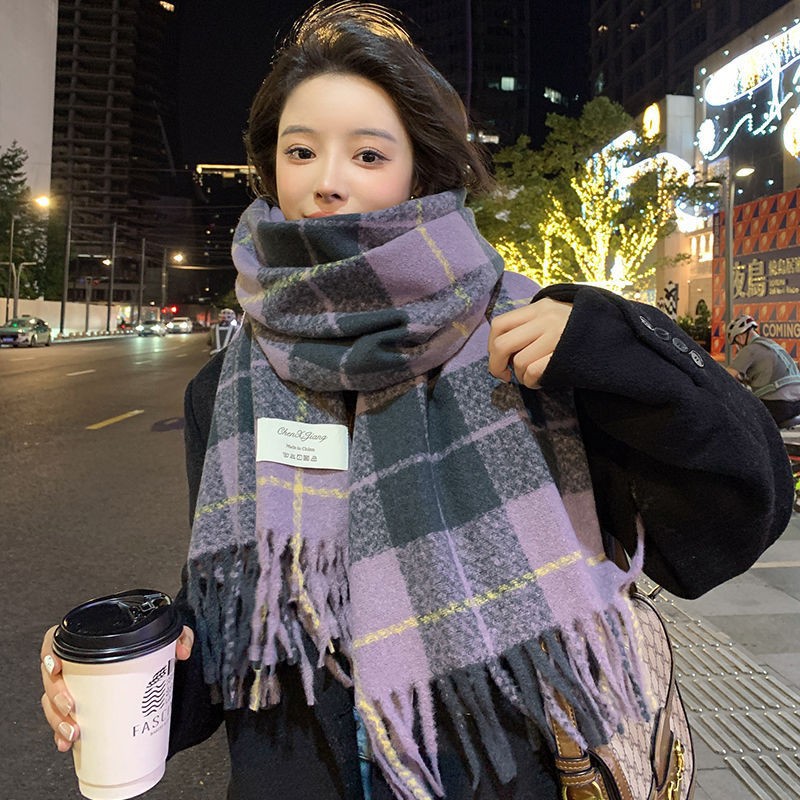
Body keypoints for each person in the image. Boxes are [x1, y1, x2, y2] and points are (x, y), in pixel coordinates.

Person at [40, 3, 793, 799]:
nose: (326, 181)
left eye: (368, 153)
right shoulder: (226, 387)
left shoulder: (529, 341)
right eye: (300, 151)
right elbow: (238, 635)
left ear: (420, 173)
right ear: (271, 169)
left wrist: (621, 344)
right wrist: (132, 673)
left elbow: (737, 515)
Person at [725, 313, 800, 427]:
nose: (738, 346)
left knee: (740, 416)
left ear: (740, 337)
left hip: (779, 405)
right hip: (797, 403)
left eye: (736, 343)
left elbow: (726, 376)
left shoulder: (749, 350)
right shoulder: (772, 344)